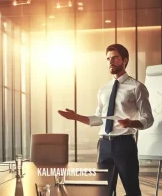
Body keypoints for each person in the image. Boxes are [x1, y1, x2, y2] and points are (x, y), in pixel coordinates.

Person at [58, 43, 154, 196]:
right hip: (103, 145)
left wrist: (131, 123)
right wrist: (76, 117)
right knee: (103, 190)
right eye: (108, 58)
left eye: (115, 58)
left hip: (124, 144)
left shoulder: (137, 87)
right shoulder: (104, 89)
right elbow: (98, 119)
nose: (111, 62)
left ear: (125, 60)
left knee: (132, 190)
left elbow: (148, 118)